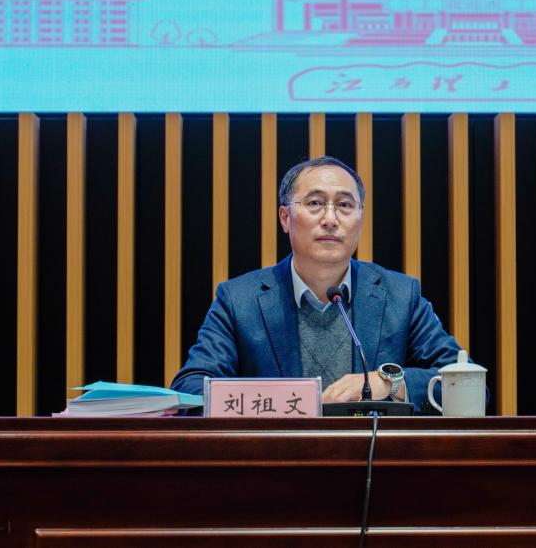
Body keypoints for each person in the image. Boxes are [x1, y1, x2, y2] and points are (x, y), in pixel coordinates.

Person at [170, 155, 466, 413]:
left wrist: (390, 382)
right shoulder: (239, 300)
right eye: (315, 203)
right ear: (285, 218)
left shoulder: (400, 296)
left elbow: (464, 383)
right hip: (275, 457)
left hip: (375, 457)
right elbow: (191, 389)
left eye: (345, 205)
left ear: (360, 218)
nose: (330, 219)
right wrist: (284, 403)